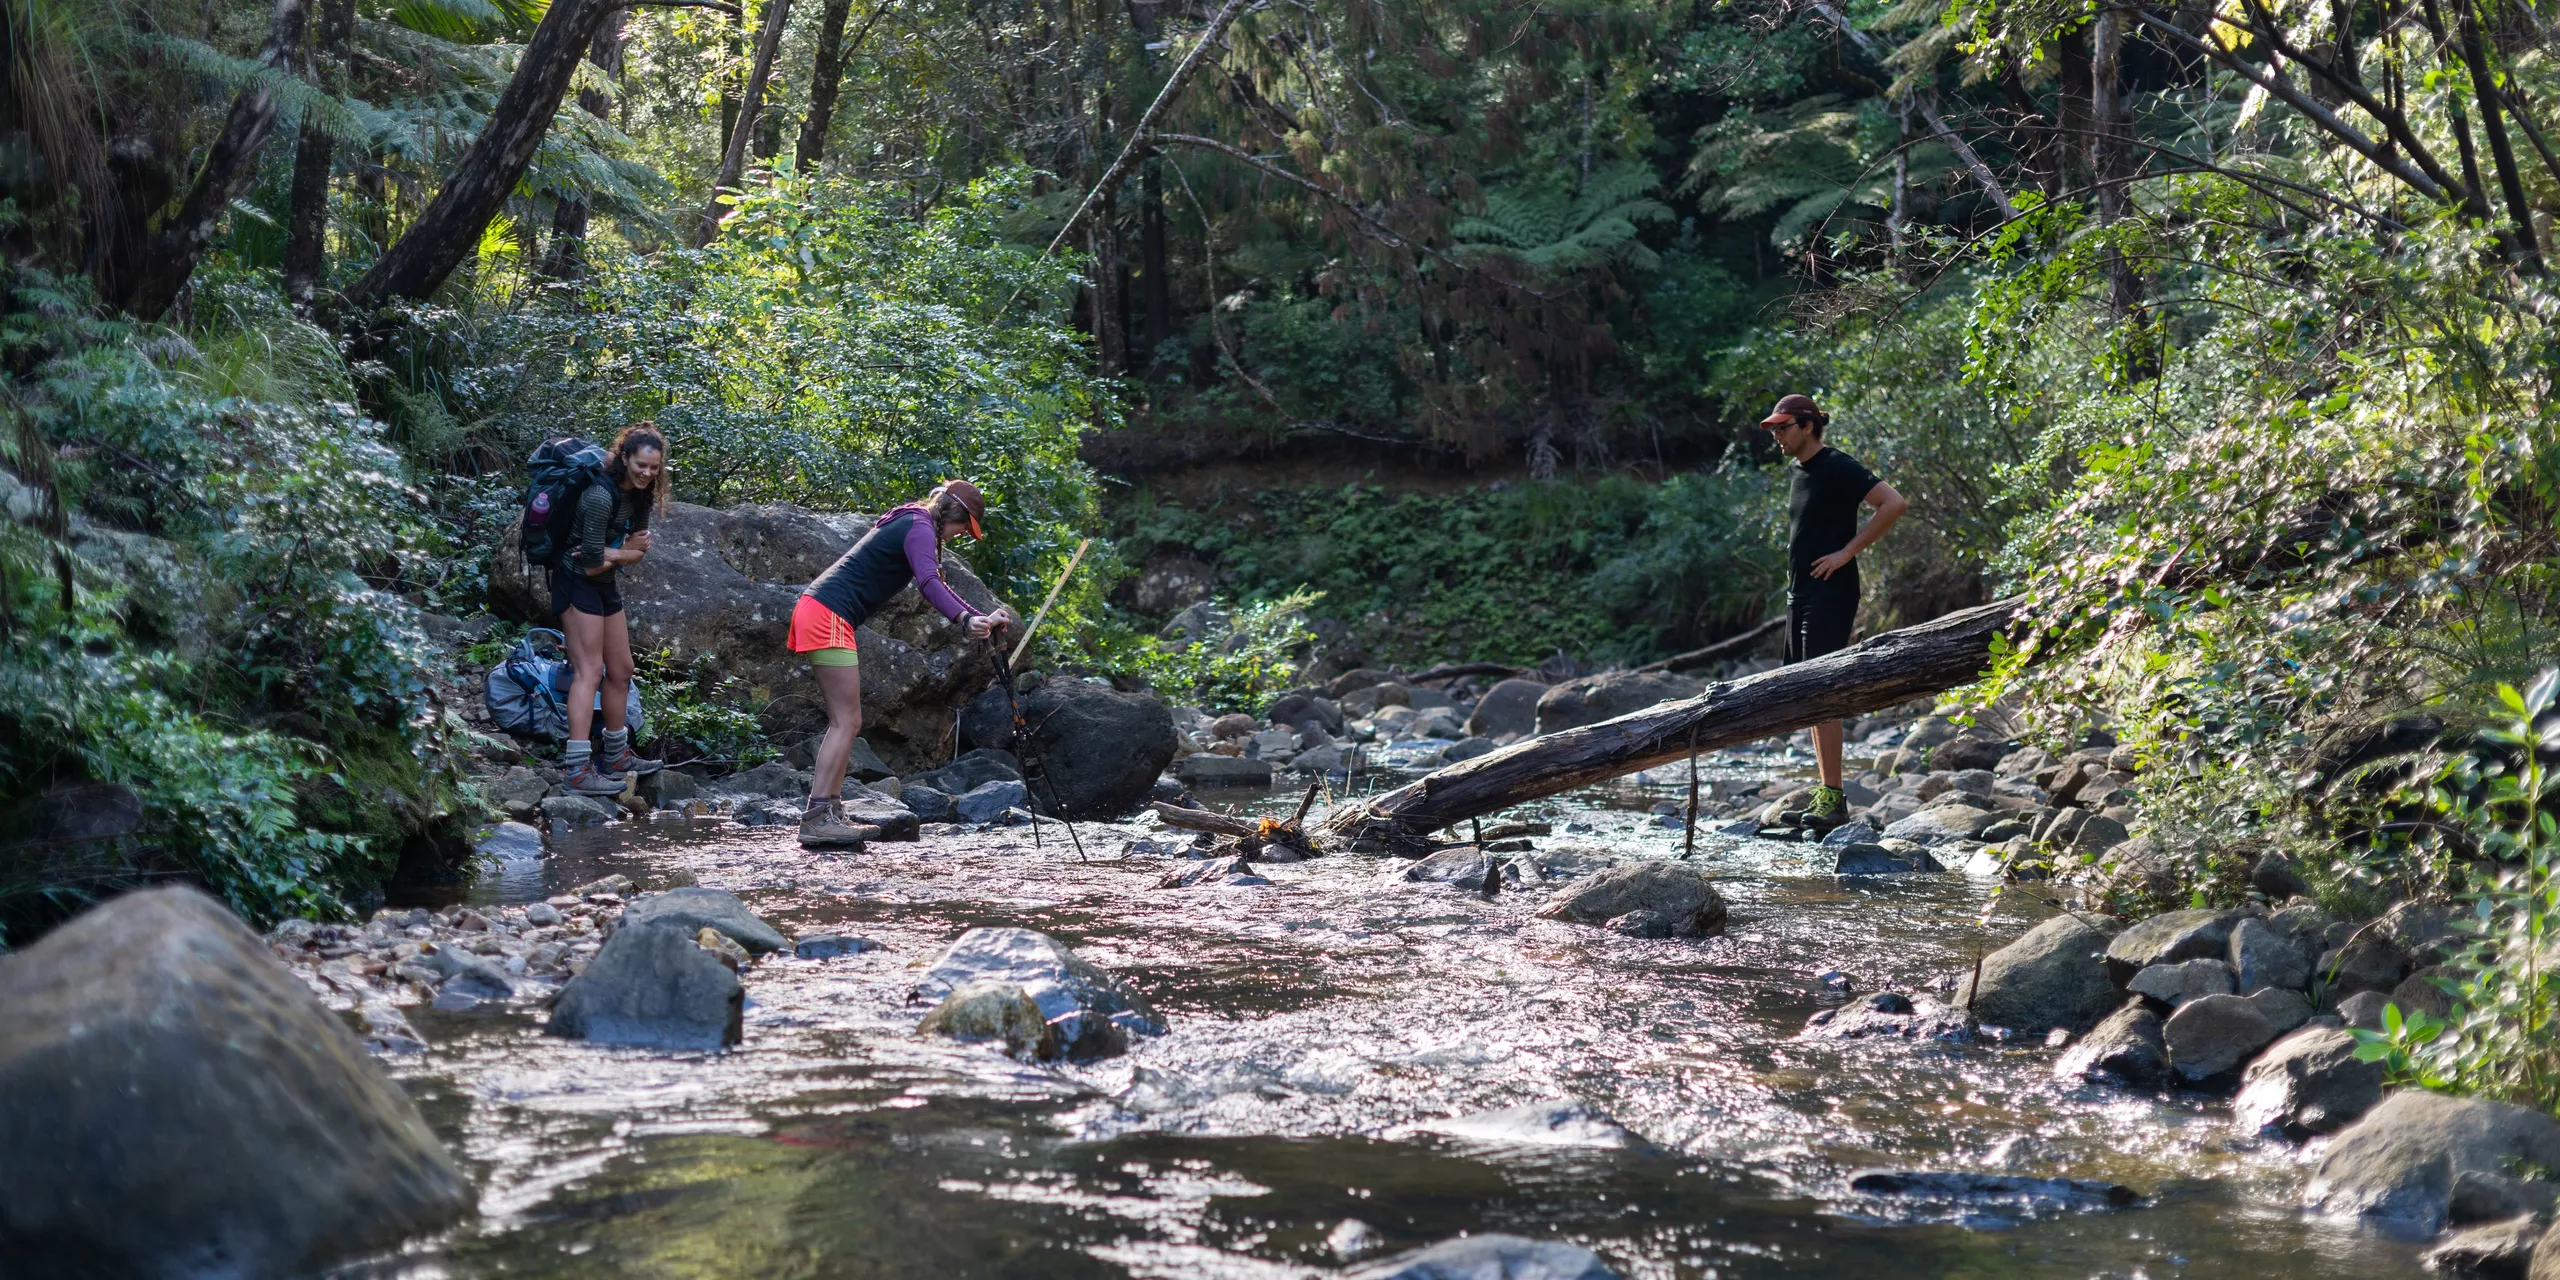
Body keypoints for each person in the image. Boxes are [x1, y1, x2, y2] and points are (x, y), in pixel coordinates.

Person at [789, 480, 1019, 848]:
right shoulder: (919, 526)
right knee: (846, 721)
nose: (961, 535)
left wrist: (978, 617)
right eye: (964, 528)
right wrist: (963, 620)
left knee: (847, 721)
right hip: (826, 614)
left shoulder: (915, 522)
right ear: (955, 516)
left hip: (822, 611)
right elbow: (928, 583)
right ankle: (817, 818)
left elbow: (937, 583)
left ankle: (830, 814)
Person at [1758, 393, 1907, 832]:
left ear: (1807, 426)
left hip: (1830, 594)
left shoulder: (1838, 465)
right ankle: (1828, 797)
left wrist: (1846, 553)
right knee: (1806, 696)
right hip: (1800, 595)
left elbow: (1893, 503)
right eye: (1774, 430)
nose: (1778, 437)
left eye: (1783, 428)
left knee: (1822, 694)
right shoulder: (1798, 473)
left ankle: (1834, 798)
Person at [556, 423, 669, 795]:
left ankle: (616, 756)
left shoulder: (641, 496)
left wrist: (615, 554)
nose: (647, 474)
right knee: (589, 671)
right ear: (624, 457)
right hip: (575, 581)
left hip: (603, 584)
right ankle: (576, 768)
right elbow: (590, 563)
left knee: (621, 670)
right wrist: (621, 553)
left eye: (654, 468)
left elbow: (637, 552)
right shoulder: (599, 497)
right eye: (641, 465)